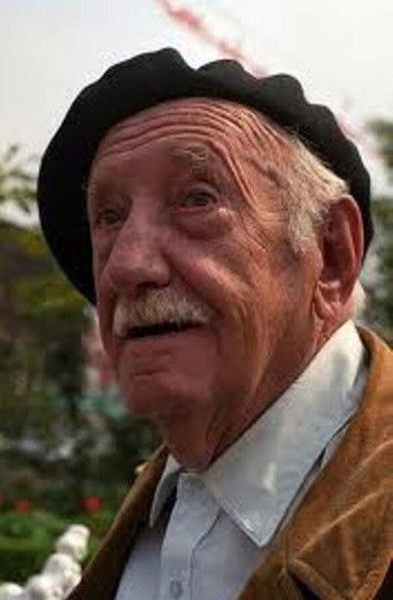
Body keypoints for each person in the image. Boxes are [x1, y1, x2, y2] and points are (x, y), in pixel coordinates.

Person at [37, 48, 393, 600]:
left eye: (197, 199)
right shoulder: (156, 506)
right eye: (108, 217)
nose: (125, 265)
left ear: (329, 255)